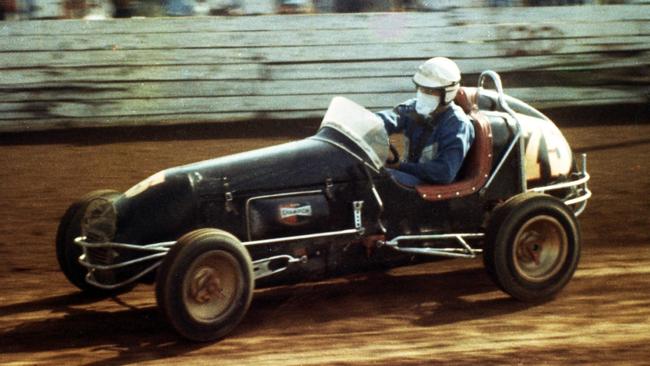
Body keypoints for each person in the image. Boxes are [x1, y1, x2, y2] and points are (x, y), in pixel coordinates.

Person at [377, 57, 475, 187]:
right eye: (421, 88)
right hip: (412, 177)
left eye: (430, 91)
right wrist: (365, 124)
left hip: (432, 187)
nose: (423, 94)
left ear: (447, 93)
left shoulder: (457, 124)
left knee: (380, 181)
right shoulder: (413, 108)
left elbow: (444, 172)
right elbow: (389, 118)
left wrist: (399, 166)